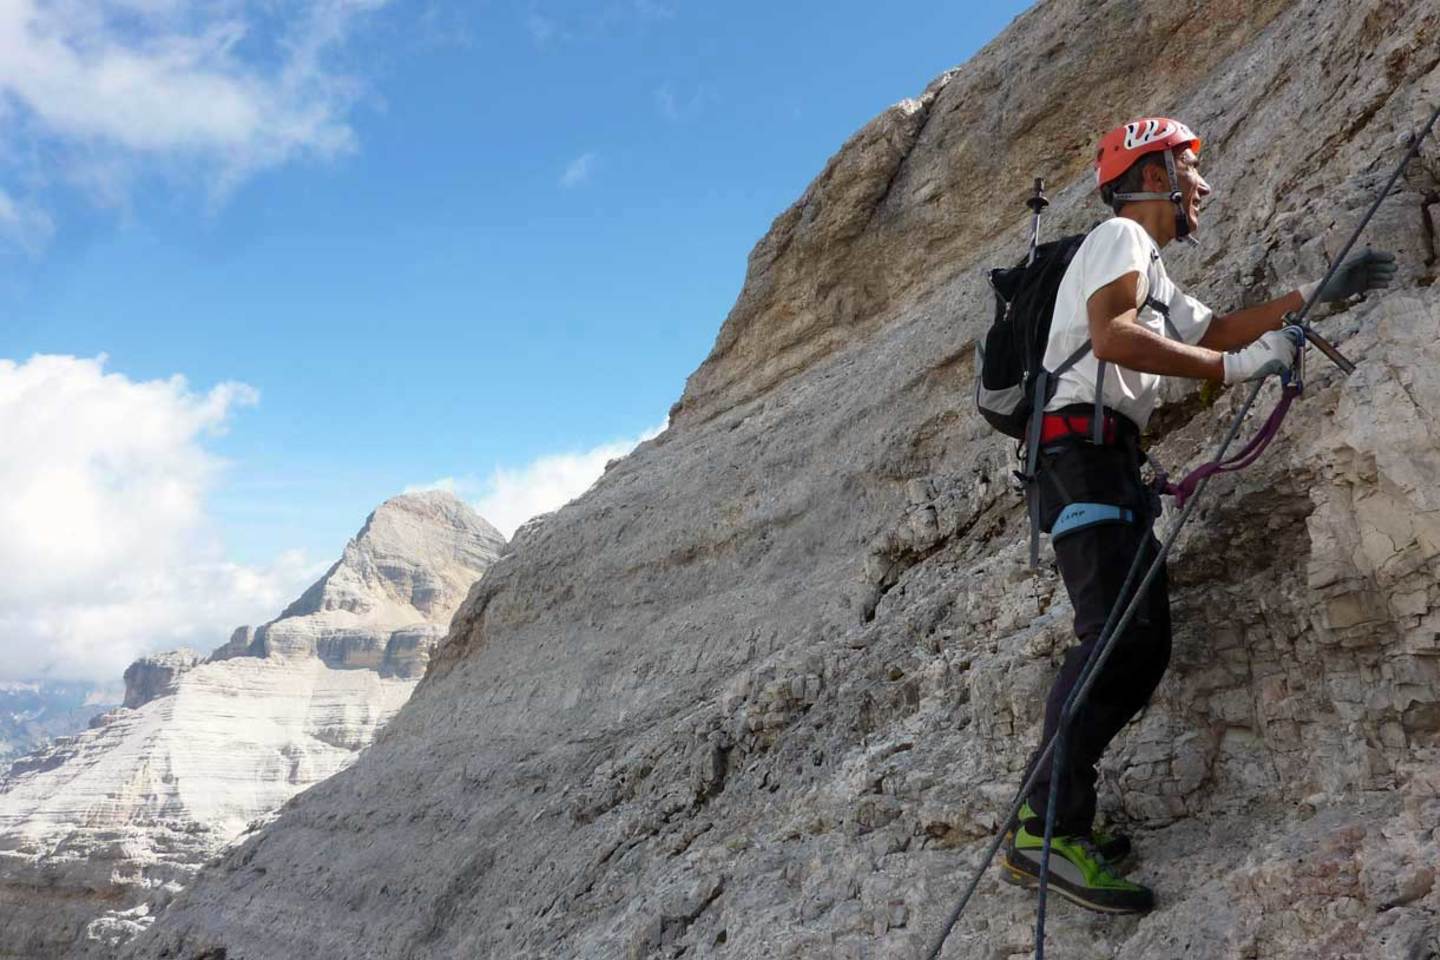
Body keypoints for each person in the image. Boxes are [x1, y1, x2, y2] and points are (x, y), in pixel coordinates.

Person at [1000, 117, 1398, 913]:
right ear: (1153, 175)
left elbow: (1213, 327)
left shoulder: (1146, 265)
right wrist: (1232, 368)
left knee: (1137, 641)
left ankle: (1055, 818)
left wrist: (1313, 296)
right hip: (1084, 457)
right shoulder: (1119, 237)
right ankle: (1045, 829)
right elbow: (1115, 338)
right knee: (1116, 639)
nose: (1204, 186)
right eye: (1191, 169)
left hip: (1097, 459)